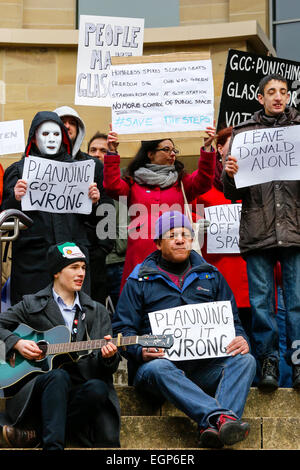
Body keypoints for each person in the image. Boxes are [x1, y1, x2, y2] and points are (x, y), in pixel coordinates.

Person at [113, 211, 256, 449]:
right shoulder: (138, 279)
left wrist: (240, 338)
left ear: (192, 240)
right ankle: (222, 418)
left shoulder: (212, 275)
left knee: (246, 361)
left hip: (202, 370)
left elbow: (233, 323)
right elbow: (121, 331)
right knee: (159, 367)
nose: (180, 240)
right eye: (172, 235)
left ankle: (213, 427)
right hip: (157, 372)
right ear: (158, 243)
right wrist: (140, 351)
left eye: (185, 235)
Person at [0, 242, 121, 450]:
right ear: (56, 271)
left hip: (79, 389)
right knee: (58, 376)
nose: (81, 273)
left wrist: (109, 357)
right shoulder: (32, 304)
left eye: (83, 267)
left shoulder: (97, 310)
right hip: (39, 389)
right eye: (74, 267)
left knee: (98, 389)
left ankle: (38, 433)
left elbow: (107, 367)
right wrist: (17, 343)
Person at [222, 73, 300, 392]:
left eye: (283, 91)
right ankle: (267, 361)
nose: (278, 96)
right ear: (260, 98)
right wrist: (229, 174)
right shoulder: (243, 134)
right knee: (262, 303)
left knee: (296, 301)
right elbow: (230, 192)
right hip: (258, 230)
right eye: (272, 92)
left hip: (294, 229)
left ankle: (297, 364)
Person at [1, 111, 100, 305]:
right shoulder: (18, 171)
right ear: (35, 138)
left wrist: (94, 202)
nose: (51, 139)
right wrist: (15, 198)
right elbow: (5, 219)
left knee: (73, 315)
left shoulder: (80, 169)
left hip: (72, 256)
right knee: (32, 314)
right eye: (45, 134)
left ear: (63, 137)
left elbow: (94, 222)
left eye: (56, 134)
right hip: (34, 261)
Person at [104, 129, 216, 292]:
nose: (172, 154)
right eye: (166, 149)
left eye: (173, 150)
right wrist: (112, 152)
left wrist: (207, 149)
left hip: (175, 253)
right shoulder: (132, 181)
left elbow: (204, 180)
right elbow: (112, 186)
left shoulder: (181, 181)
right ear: (150, 154)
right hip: (141, 254)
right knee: (141, 298)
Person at [192, 126, 251, 337]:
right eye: (233, 144)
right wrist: (197, 221)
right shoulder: (202, 185)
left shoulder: (256, 181)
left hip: (253, 274)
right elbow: (183, 214)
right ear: (219, 149)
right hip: (217, 272)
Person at [54, 106, 114, 305]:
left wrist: (101, 250)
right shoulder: (32, 163)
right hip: (50, 253)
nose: (67, 126)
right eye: (63, 121)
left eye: (73, 122)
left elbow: (108, 210)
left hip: (86, 254)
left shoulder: (94, 166)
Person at [87, 131, 128, 311]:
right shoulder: (80, 182)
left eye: (103, 150)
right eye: (93, 150)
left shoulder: (123, 182)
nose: (97, 154)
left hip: (117, 261)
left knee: (121, 313)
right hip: (92, 261)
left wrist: (118, 245)